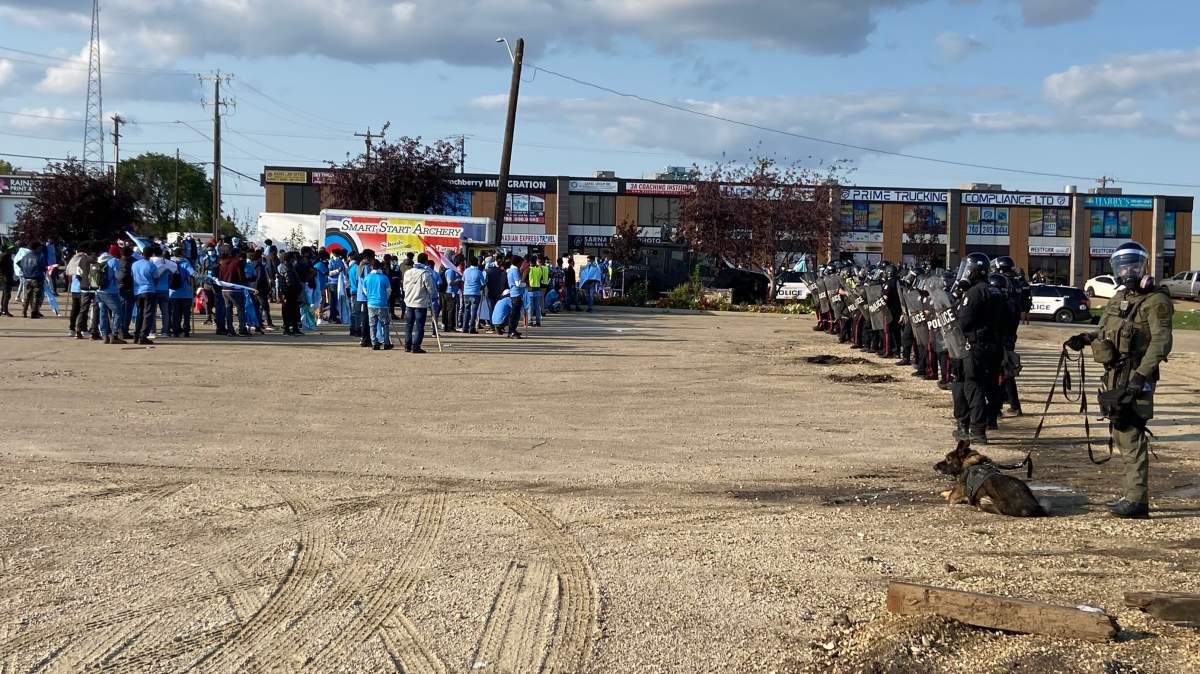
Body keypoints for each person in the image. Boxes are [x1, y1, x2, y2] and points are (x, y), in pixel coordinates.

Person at [1065, 242, 1173, 520]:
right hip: (1114, 375)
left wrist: (1141, 376)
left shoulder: (1156, 301)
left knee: (1131, 433)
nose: (1128, 270)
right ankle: (1132, 494)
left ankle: (1137, 501)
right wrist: (1085, 339)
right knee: (1121, 432)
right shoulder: (1120, 297)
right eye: (1123, 265)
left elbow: (1161, 342)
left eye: (1132, 265)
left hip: (1136, 376)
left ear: (1143, 266)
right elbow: (1105, 329)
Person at [950, 253, 1005, 444]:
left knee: (972, 387)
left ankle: (977, 430)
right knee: (988, 386)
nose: (967, 274)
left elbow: (963, 322)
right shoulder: (996, 291)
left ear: (976, 271)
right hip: (993, 346)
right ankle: (986, 422)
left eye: (969, 270)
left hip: (974, 346)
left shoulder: (974, 293)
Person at [402, 253, 437, 353]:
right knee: (419, 326)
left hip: (409, 302)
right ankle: (416, 346)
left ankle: (407, 345)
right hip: (420, 303)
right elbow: (431, 289)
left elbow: (404, 287)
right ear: (426, 261)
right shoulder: (425, 273)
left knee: (409, 325)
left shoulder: (407, 272)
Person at [131, 244, 165, 344]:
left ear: (142, 254)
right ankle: (143, 336)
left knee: (139, 313)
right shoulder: (151, 265)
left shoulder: (135, 264)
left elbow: (132, 276)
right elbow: (156, 278)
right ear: (151, 255)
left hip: (137, 291)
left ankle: (136, 335)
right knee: (148, 314)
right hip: (149, 290)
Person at [66, 243, 97, 339]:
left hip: (73, 288)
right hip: (82, 287)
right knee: (83, 310)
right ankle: (83, 329)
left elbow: (68, 272)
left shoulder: (72, 259)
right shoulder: (85, 259)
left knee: (75, 309)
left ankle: (72, 328)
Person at [363, 258, 394, 350]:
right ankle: (386, 343)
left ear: (371, 267)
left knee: (372, 325)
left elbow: (365, 290)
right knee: (385, 324)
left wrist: (369, 296)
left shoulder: (367, 277)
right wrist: (385, 298)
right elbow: (389, 290)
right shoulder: (384, 277)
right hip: (382, 303)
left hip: (371, 304)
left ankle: (374, 343)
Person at [217, 250, 249, 338]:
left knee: (228, 309)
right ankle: (242, 329)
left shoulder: (222, 263)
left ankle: (230, 330)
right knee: (240, 309)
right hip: (235, 289)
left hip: (224, 289)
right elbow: (241, 276)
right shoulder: (237, 262)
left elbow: (220, 278)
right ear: (236, 254)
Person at [167, 247, 195, 337]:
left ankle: (176, 331)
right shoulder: (185, 263)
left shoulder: (170, 263)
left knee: (175, 314)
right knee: (186, 314)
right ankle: (186, 331)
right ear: (181, 253)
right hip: (186, 293)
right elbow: (193, 273)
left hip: (173, 293)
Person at [277, 250, 304, 336]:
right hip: (288, 291)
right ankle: (287, 329)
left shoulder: (289, 266)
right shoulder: (286, 267)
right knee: (288, 311)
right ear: (291, 258)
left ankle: (295, 328)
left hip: (290, 291)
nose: (295, 260)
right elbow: (289, 281)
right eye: (294, 258)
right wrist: (296, 288)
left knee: (294, 311)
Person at [18, 242, 45, 318]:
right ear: (37, 248)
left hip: (26, 278)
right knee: (36, 296)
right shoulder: (39, 256)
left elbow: (19, 264)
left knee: (27, 296)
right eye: (40, 248)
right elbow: (43, 267)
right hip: (36, 278)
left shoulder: (25, 256)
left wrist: (25, 271)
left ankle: (24, 312)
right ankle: (34, 313)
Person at [461, 256, 484, 334]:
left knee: (466, 310)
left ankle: (464, 327)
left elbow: (463, 280)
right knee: (474, 311)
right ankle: (472, 328)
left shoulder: (466, 271)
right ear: (477, 263)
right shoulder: (479, 272)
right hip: (475, 293)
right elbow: (483, 283)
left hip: (466, 293)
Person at [505, 256, 526, 338]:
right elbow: (518, 283)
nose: (521, 265)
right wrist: (525, 284)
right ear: (518, 263)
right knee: (515, 314)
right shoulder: (515, 270)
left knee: (515, 314)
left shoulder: (510, 270)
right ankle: (512, 331)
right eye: (521, 263)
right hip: (516, 294)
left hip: (514, 294)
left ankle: (513, 330)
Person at [442, 255, 463, 333]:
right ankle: (449, 327)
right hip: (450, 293)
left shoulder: (453, 270)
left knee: (452, 310)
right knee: (450, 311)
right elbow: (450, 282)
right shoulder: (451, 271)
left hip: (452, 292)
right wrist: (459, 280)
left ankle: (450, 326)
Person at [525, 254, 546, 327]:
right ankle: (538, 322)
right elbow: (541, 278)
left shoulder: (528, 269)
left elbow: (523, 279)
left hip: (530, 290)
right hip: (538, 289)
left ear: (530, 262)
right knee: (537, 307)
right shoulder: (539, 269)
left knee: (530, 307)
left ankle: (530, 321)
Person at [0, 245, 14, 317]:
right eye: (10, 249)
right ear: (6, 250)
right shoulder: (4, 256)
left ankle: (3, 310)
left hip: (7, 277)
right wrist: (3, 275)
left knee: (5, 295)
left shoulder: (7, 256)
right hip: (6, 278)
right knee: (7, 295)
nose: (11, 251)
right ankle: (5, 310)